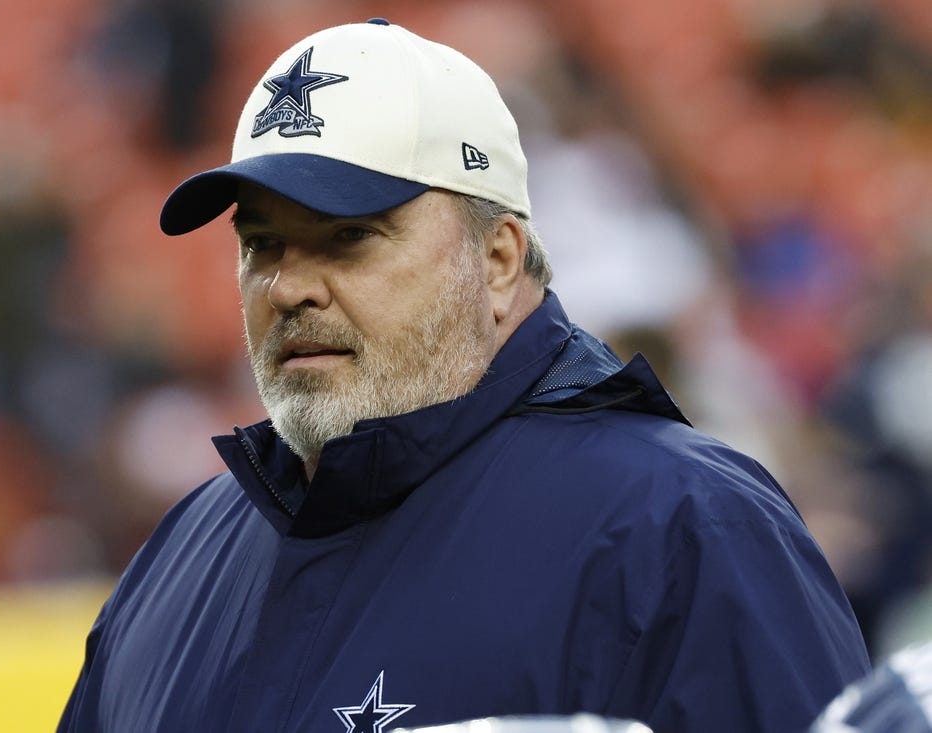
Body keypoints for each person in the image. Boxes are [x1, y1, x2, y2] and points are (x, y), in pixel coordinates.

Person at [58, 19, 870, 733]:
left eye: (348, 238)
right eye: (262, 245)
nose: (288, 286)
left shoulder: (686, 530)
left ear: (498, 259)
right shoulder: (181, 552)